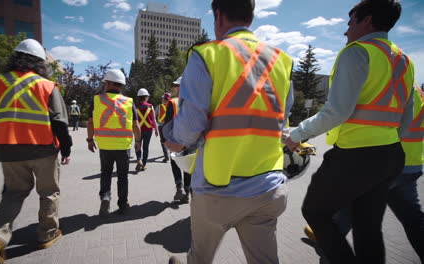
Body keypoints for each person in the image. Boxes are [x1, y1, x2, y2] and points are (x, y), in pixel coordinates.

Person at [285, 1, 415, 263]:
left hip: (356, 156)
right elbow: (407, 114)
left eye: (350, 23)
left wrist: (296, 134)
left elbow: (336, 112)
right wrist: (387, 143)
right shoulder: (404, 60)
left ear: (366, 21)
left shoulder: (357, 52)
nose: (346, 31)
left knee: (315, 211)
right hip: (391, 155)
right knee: (368, 227)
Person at [164, 0, 293, 262]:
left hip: (217, 188)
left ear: (219, 16)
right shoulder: (282, 60)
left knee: (200, 257)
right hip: (268, 187)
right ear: (251, 16)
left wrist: (174, 139)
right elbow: (282, 120)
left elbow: (189, 126)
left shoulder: (207, 55)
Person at [0, 39, 72, 264]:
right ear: (39, 62)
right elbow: (59, 122)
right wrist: (66, 148)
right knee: (49, 192)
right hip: (43, 149)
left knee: (13, 193)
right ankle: (47, 234)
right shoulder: (46, 85)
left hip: (8, 150)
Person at [304, 83, 424, 262]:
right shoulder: (415, 89)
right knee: (414, 221)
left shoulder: (386, 84)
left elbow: (343, 113)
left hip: (378, 163)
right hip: (411, 164)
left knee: (344, 215)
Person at [87, 69, 141, 217]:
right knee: (122, 176)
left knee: (106, 173)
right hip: (123, 146)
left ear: (108, 83)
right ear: (121, 85)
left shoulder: (97, 100)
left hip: (104, 145)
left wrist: (90, 140)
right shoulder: (129, 102)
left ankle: (105, 197)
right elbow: (136, 125)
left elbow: (90, 123)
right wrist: (138, 142)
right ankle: (123, 205)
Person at [164, 77, 192, 204]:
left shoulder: (172, 102)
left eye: (176, 86)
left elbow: (167, 123)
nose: (174, 88)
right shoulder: (194, 102)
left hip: (175, 139)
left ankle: (179, 187)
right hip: (191, 140)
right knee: (187, 165)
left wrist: (164, 139)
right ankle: (187, 192)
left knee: (175, 162)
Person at [134, 88, 159, 171]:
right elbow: (154, 119)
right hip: (148, 130)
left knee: (138, 145)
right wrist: (156, 129)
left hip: (138, 129)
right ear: (146, 97)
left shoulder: (135, 106)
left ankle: (138, 159)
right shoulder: (150, 106)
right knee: (145, 147)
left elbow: (132, 119)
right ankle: (144, 165)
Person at [155, 92, 171, 162]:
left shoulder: (159, 106)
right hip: (170, 125)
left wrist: (156, 124)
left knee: (163, 141)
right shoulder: (172, 106)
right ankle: (171, 154)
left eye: (162, 98)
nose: (162, 99)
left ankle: (166, 156)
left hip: (161, 126)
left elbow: (155, 116)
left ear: (164, 99)